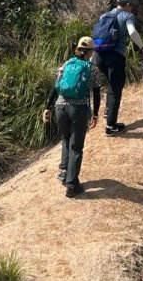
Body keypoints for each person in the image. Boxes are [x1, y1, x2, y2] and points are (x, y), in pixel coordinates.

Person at [42, 36, 106, 198]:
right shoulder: (92, 68)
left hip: (60, 107)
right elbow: (96, 94)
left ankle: (64, 172)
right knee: (76, 146)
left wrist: (48, 108)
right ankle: (72, 185)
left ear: (77, 49)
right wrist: (96, 114)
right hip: (78, 109)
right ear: (90, 51)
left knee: (66, 138)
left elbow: (56, 87)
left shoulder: (66, 64)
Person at [92, 0, 143, 135]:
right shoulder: (128, 16)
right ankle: (110, 127)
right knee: (115, 90)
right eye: (131, 5)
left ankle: (108, 110)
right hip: (114, 56)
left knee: (111, 84)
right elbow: (132, 32)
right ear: (128, 5)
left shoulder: (105, 15)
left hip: (97, 56)